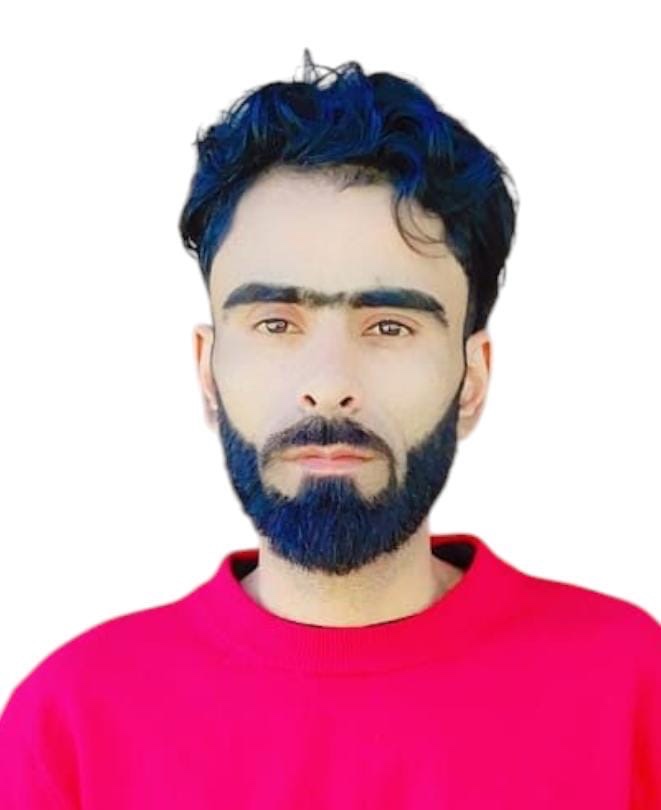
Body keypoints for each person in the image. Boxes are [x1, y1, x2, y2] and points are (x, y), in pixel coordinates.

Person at [1, 49, 659, 809]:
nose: (329, 384)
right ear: (207, 370)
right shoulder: (71, 726)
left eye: (389, 326)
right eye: (276, 322)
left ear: (472, 378)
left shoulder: (631, 690)